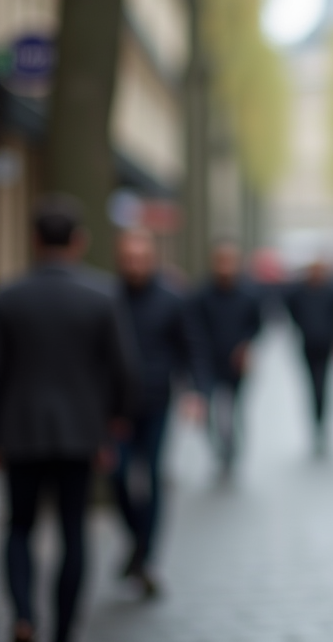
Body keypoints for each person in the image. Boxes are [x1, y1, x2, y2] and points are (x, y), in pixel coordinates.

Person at [0, 196, 135, 642]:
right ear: (79, 241)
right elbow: (122, 367)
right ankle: (62, 628)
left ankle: (23, 614)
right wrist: (114, 422)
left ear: (35, 239)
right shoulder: (103, 295)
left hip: (19, 431)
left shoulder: (10, 297)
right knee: (73, 530)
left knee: (20, 525)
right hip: (81, 430)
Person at [112, 228, 206, 596]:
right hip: (116, 408)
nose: (135, 265)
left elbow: (191, 345)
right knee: (119, 476)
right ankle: (136, 539)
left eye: (141, 258)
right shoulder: (109, 298)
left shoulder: (172, 299)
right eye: (129, 258)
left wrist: (196, 391)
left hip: (156, 402)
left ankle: (146, 556)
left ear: (152, 259)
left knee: (150, 475)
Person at [192, 242, 262, 479]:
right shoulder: (202, 295)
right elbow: (195, 330)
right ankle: (220, 450)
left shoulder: (249, 294)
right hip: (209, 363)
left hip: (235, 365)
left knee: (232, 409)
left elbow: (257, 324)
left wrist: (246, 345)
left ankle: (232, 449)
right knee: (211, 411)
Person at [284, 260, 333, 457]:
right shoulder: (299, 292)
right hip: (308, 344)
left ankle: (322, 423)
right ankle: (316, 423)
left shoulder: (331, 291)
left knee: (322, 385)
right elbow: (291, 309)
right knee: (312, 385)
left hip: (325, 344)